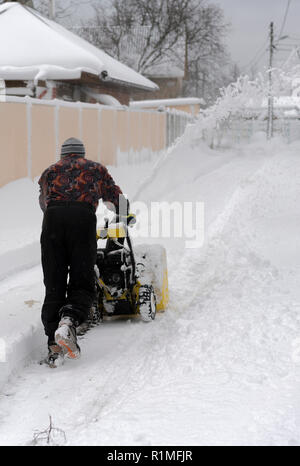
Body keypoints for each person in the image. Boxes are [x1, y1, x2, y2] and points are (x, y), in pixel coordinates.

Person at [38, 137, 129, 368]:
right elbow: (115, 196)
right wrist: (125, 214)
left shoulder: (49, 172)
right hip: (82, 220)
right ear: (82, 153)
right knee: (82, 279)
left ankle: (54, 346)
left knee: (54, 283)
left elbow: (43, 203)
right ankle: (68, 321)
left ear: (62, 155)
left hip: (52, 223)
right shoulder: (95, 169)